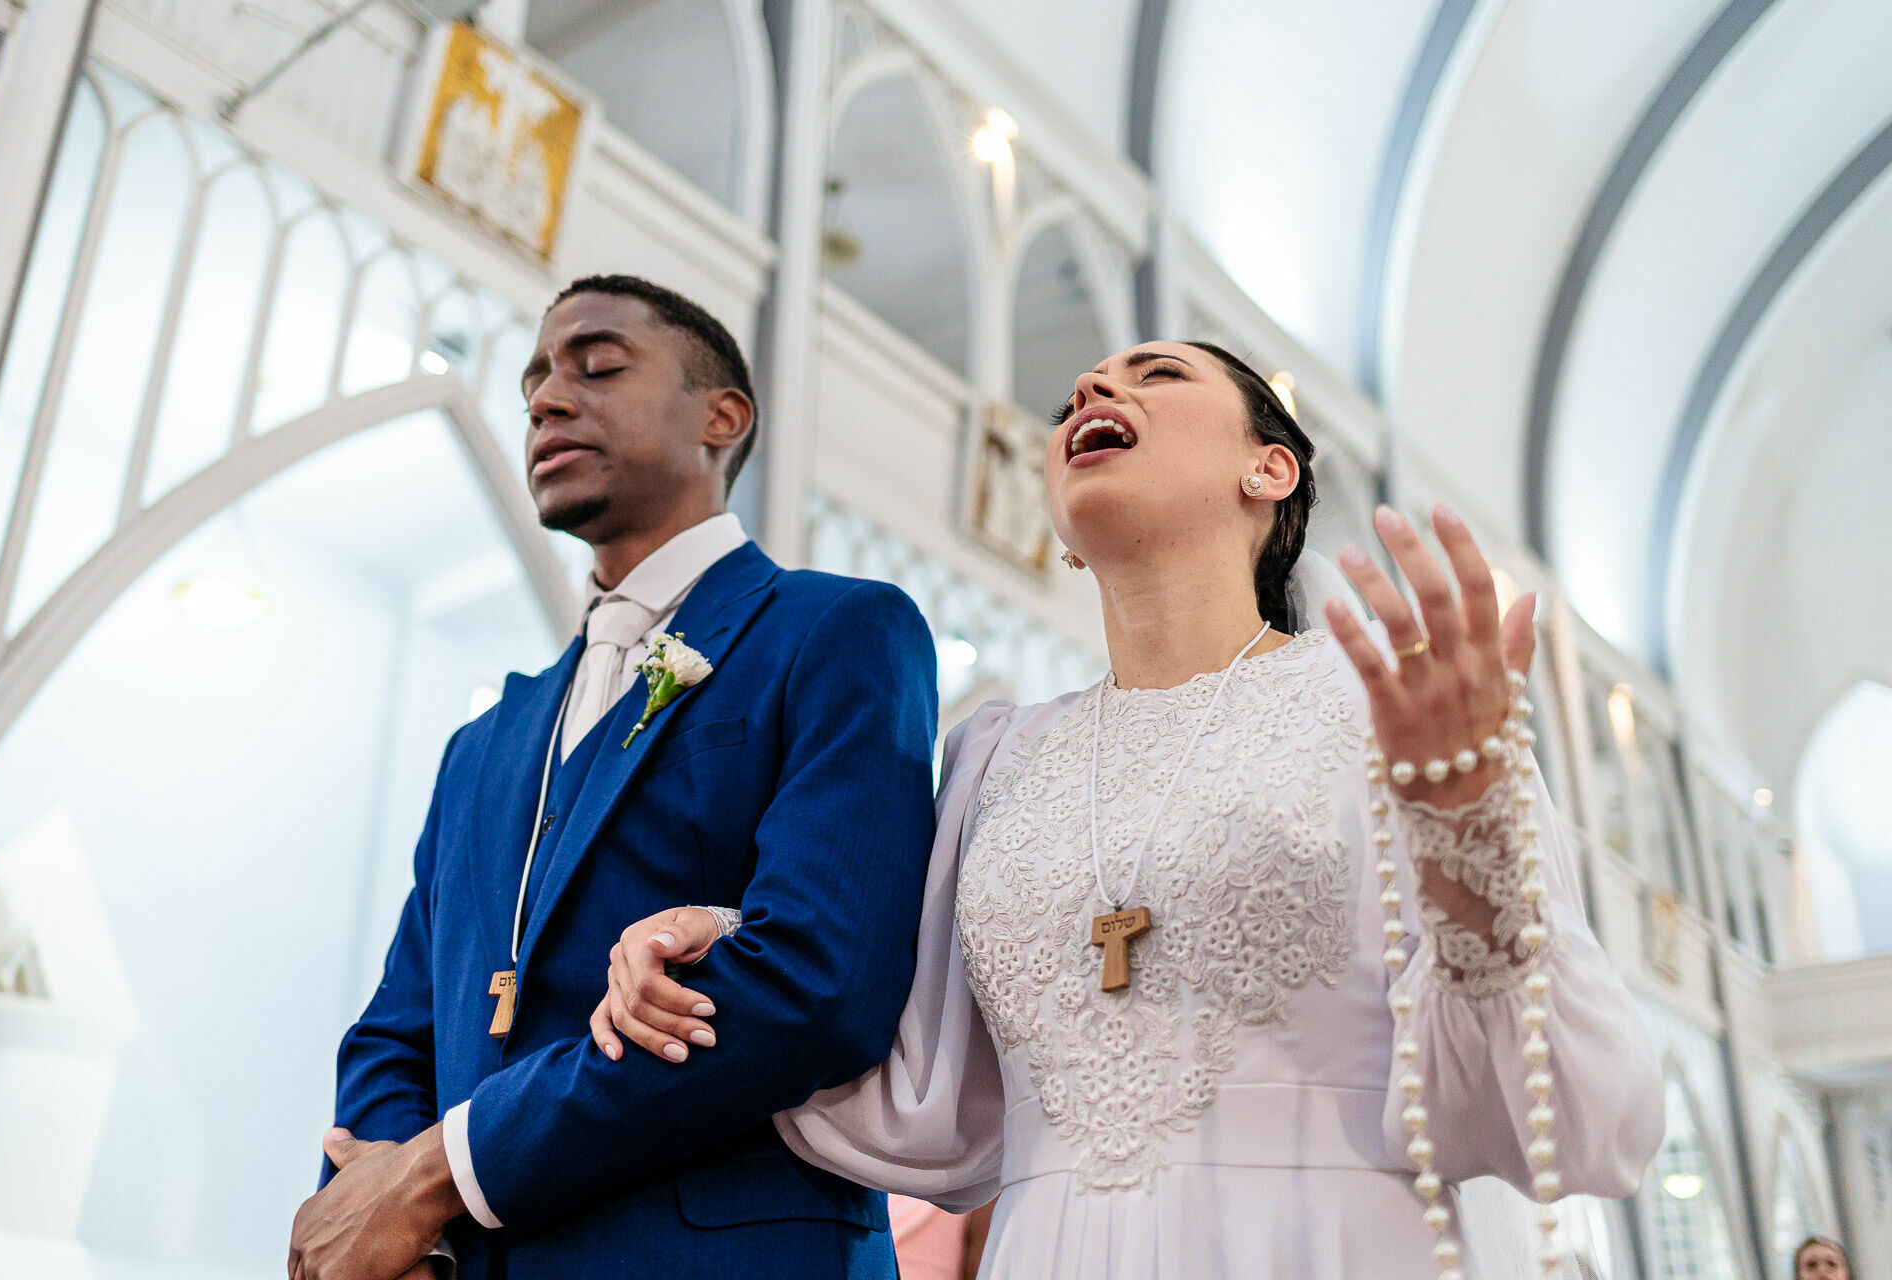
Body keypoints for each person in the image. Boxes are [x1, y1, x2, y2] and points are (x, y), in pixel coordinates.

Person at [590, 340, 1666, 1277]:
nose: (1095, 384)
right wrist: (730, 948)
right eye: (1079, 392)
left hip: (1324, 1235)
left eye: (1159, 374)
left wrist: (1463, 819)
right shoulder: (998, 757)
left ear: (1270, 468)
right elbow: (920, 1083)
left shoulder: (1396, 708)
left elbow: (1552, 1112)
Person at [286, 275, 940, 1280]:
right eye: (536, 381)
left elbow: (817, 980)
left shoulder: (838, 630)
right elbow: (400, 1021)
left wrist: (442, 1170)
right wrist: (394, 1218)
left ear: (724, 416)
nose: (548, 397)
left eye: (596, 367)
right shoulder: (487, 740)